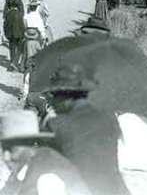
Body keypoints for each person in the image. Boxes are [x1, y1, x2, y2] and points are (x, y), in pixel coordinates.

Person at [43, 65, 130, 195]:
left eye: (54, 95)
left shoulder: (56, 125)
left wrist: (45, 121)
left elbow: (41, 168)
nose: (52, 101)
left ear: (66, 97)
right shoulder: (109, 119)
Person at [0, 110, 91, 195]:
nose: (6, 157)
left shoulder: (48, 179)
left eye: (12, 150)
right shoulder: (24, 169)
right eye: (3, 149)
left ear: (32, 145)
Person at [21, 0, 48, 100]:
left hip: (27, 39)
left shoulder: (26, 16)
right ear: (36, 7)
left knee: (26, 65)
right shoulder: (38, 18)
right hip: (36, 40)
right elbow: (42, 31)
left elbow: (24, 27)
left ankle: (25, 90)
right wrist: (44, 39)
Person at [4, 0, 26, 72]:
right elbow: (22, 12)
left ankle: (11, 63)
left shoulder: (8, 14)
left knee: (12, 47)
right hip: (18, 32)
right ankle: (16, 63)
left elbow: (5, 24)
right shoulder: (19, 13)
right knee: (19, 47)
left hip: (10, 33)